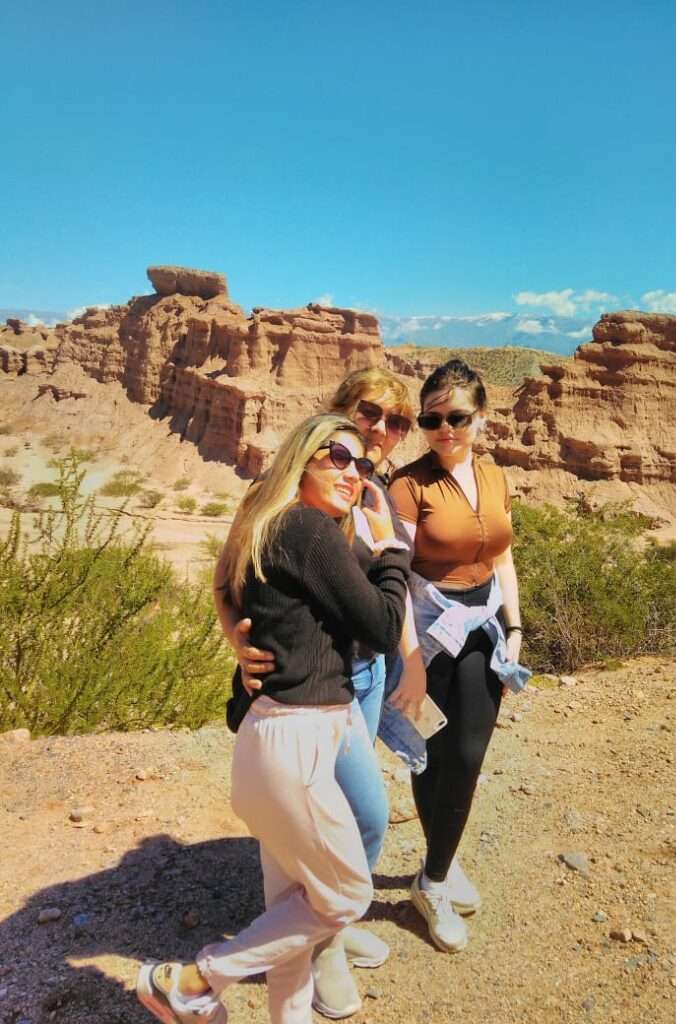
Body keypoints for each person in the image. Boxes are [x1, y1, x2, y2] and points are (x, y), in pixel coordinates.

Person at [137, 414, 410, 1024]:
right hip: (297, 748)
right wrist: (392, 549)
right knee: (346, 895)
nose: (353, 473)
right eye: (338, 456)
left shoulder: (273, 526)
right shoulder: (306, 528)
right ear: (302, 459)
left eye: (363, 465)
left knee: (291, 913)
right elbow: (383, 628)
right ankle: (191, 980)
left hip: (269, 745)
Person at [214, 367, 426, 1018]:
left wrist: (410, 661)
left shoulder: (368, 488)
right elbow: (226, 579)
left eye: (398, 422)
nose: (382, 430)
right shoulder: (286, 497)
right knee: (339, 817)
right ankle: (324, 933)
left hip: (361, 676)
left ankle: (318, 932)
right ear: (338, 410)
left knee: (342, 817)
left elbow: (386, 599)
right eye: (370, 413)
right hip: (306, 688)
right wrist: (237, 641)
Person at [389, 358, 529, 954]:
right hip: (425, 634)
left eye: (457, 417)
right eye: (431, 419)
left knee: (468, 755)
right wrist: (410, 661)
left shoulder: (495, 477)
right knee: (430, 755)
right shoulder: (408, 484)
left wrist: (514, 626)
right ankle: (438, 873)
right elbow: (395, 579)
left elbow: (502, 557)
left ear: (481, 417)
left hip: (481, 628)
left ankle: (434, 873)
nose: (444, 429)